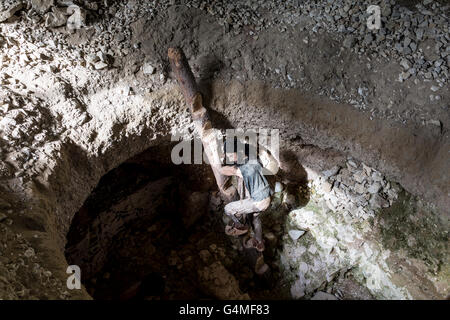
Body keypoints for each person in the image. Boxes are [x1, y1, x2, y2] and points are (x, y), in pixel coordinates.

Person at [219, 137, 273, 252]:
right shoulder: (251, 156)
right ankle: (259, 242)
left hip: (259, 201)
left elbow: (226, 170)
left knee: (228, 209)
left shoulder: (245, 169)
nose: (229, 157)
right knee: (255, 217)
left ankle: (241, 226)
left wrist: (220, 166)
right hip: (267, 196)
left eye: (230, 155)